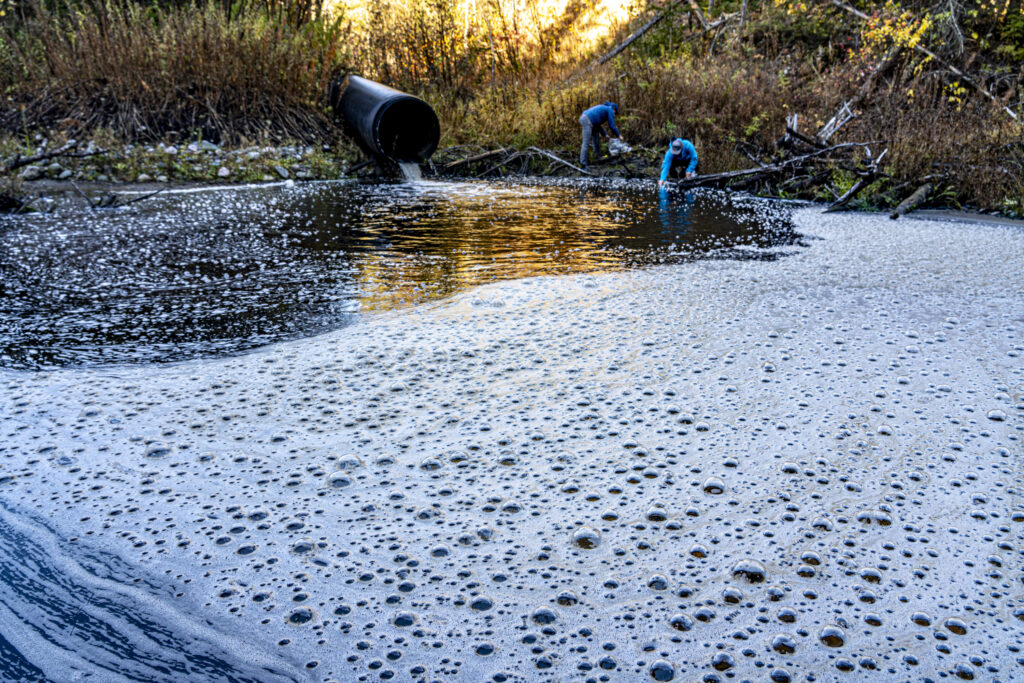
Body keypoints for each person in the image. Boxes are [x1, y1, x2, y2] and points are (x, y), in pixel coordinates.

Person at [579, 102, 622, 169]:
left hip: (588, 119)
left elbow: (597, 125)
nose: (614, 114)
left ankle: (597, 156)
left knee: (596, 138)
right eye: (615, 112)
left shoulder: (603, 108)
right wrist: (619, 135)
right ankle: (583, 164)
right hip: (587, 120)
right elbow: (612, 125)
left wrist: (605, 135)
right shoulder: (609, 109)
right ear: (614, 109)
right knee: (586, 143)